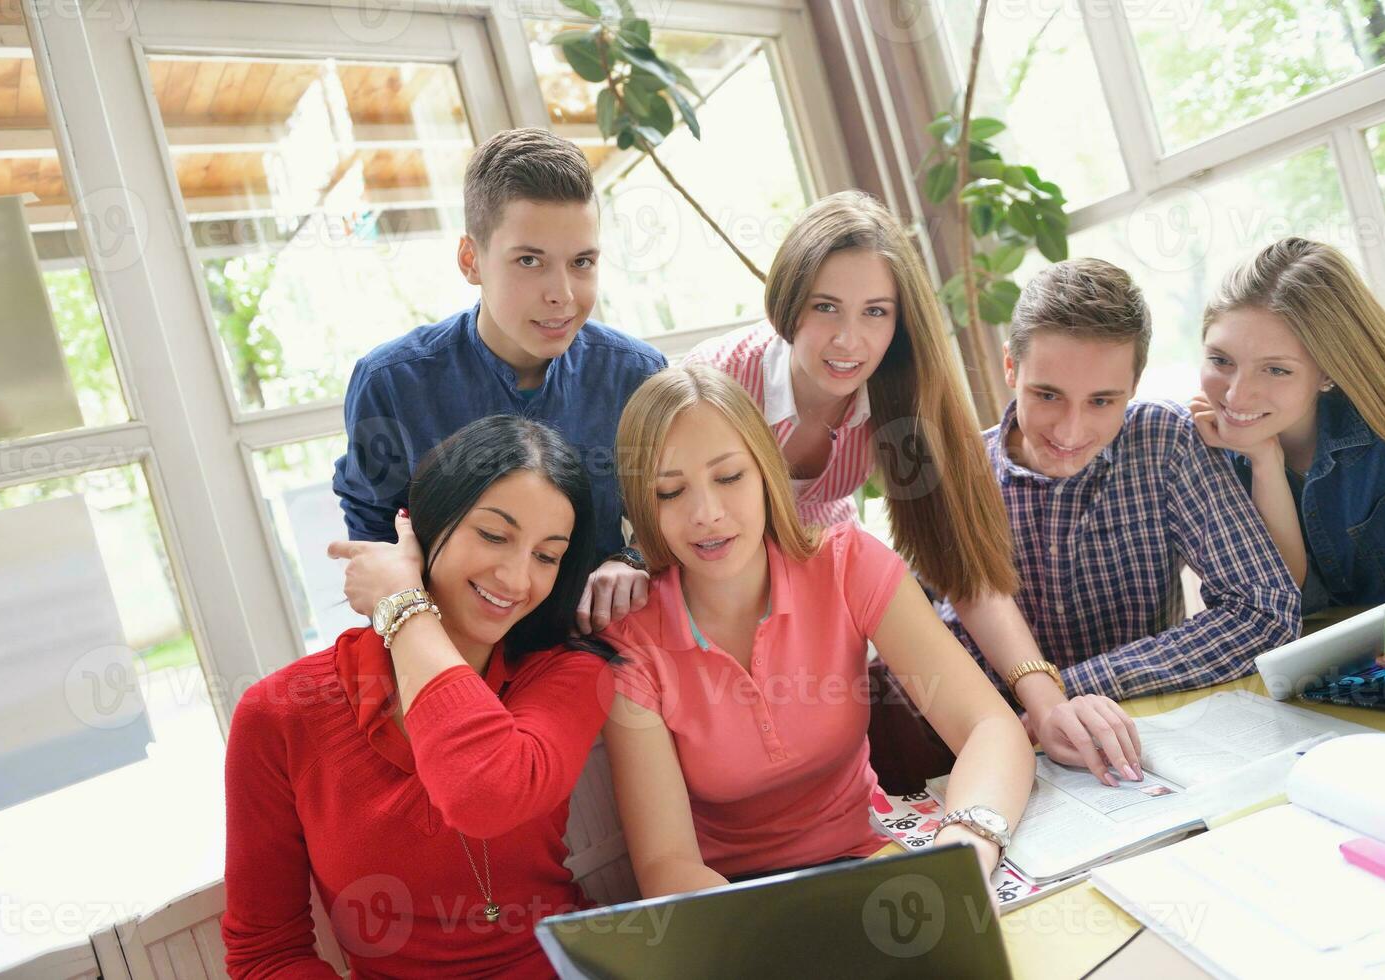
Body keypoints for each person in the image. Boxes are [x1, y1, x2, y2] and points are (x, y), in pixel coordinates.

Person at [680, 190, 1140, 782]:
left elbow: (963, 566)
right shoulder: (716, 381)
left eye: (876, 312)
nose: (850, 341)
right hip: (713, 587)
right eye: (826, 307)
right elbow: (661, 514)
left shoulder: (899, 394)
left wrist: (1046, 703)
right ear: (789, 302)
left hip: (818, 577)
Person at [600, 364, 1034, 899]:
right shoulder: (632, 644)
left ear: (765, 472)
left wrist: (967, 849)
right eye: (670, 492)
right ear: (644, 506)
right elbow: (666, 866)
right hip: (738, 901)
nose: (706, 514)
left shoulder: (849, 564)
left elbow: (990, 727)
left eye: (729, 477)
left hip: (879, 857)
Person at [225, 416, 615, 978]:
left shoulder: (567, 673)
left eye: (546, 556)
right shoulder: (279, 713)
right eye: (494, 534)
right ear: (423, 528)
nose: (515, 578)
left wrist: (403, 606)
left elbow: (483, 792)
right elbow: (266, 954)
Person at [330, 127, 666, 640]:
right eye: (529, 261)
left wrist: (634, 556)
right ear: (471, 260)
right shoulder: (391, 384)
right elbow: (375, 539)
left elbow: (672, 507)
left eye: (582, 262)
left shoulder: (638, 376)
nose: (562, 295)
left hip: (603, 649)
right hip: (450, 654)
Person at [941, 258, 1303, 706]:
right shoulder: (957, 476)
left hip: (1144, 729)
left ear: (1134, 384)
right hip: (999, 737)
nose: (1070, 432)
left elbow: (1264, 611)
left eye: (1101, 401)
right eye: (1048, 395)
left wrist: (1060, 696)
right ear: (1011, 367)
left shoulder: (1164, 443)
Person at [1191, 237, 1385, 683]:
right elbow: (1287, 608)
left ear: (1328, 370)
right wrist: (1265, 463)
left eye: (1276, 369)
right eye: (1221, 360)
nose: (1235, 394)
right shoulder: (1212, 454)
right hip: (1358, 686)